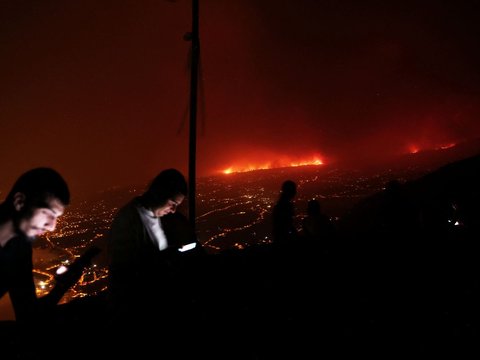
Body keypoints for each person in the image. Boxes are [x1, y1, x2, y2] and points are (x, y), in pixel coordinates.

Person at [106, 168, 190, 325]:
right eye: (173, 203)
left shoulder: (154, 215)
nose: (173, 210)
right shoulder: (129, 219)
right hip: (134, 315)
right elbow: (123, 273)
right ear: (159, 193)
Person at [0, 167, 75, 325]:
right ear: (19, 202)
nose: (52, 226)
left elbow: (28, 314)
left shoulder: (19, 249)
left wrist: (62, 285)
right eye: (48, 213)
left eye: (56, 217)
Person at [271, 180, 298, 247]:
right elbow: (287, 224)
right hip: (283, 240)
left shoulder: (280, 204)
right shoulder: (286, 205)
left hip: (279, 238)